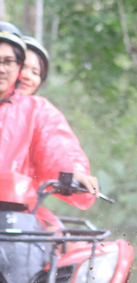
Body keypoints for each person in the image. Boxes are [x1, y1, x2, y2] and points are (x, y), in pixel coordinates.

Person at [0, 23, 98, 212]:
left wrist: (73, 172)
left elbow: (57, 146)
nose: (2, 69)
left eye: (8, 62)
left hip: (13, 217)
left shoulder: (36, 111)